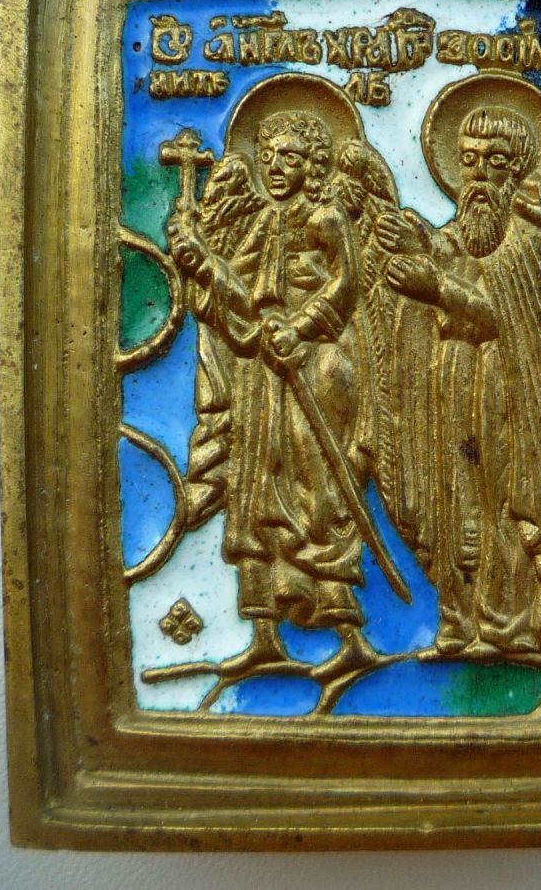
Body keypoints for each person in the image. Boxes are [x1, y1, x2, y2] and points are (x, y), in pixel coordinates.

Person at [167, 103, 377, 677]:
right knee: (256, 490)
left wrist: (302, 327)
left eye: (290, 157)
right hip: (263, 373)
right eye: (267, 157)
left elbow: (348, 285)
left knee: (322, 492)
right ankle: (264, 634)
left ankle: (348, 636)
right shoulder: (263, 221)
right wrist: (203, 265)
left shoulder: (327, 218)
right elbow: (241, 294)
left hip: (319, 369)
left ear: (314, 164)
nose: (276, 167)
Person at [377, 92, 541, 657]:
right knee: (452, 498)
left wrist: (435, 286)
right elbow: (450, 257)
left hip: (506, 389)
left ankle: (508, 623)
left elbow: (501, 316)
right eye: (468, 160)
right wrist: (418, 246)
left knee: (503, 499)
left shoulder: (525, 237)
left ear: (518, 170)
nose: (478, 174)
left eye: (494, 161)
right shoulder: (463, 232)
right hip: (453, 379)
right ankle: (458, 618)